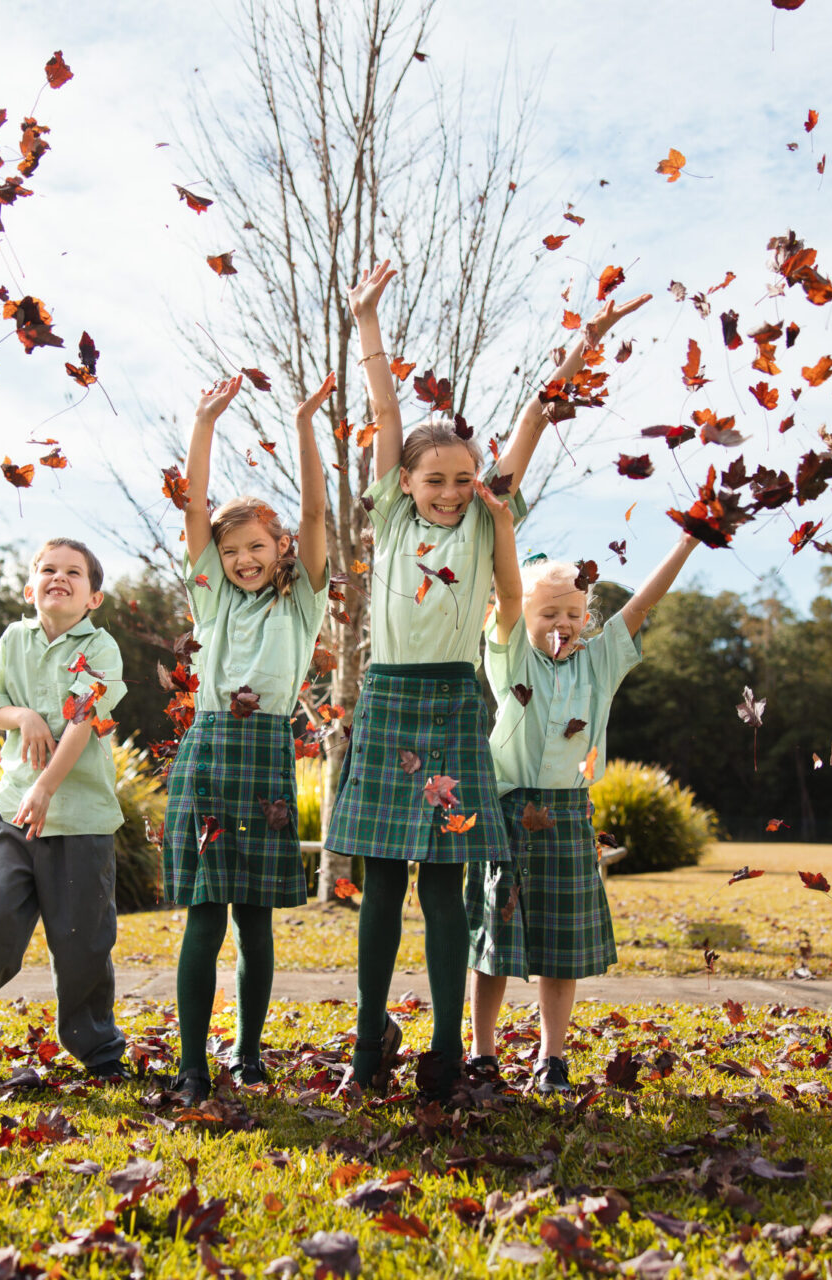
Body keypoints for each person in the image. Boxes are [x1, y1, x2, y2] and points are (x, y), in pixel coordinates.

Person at [321, 261, 649, 1100]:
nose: (448, 491)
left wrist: (586, 344)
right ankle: (369, 1042)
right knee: (382, 888)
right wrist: (367, 321)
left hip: (453, 702)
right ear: (405, 483)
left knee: (444, 891)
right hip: (388, 699)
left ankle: (443, 1052)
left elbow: (536, 415)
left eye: (462, 479)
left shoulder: (484, 520)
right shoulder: (392, 513)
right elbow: (386, 411)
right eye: (434, 480)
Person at [465, 532, 697, 1094]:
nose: (562, 623)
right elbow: (508, 596)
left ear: (587, 618)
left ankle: (552, 1059)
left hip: (569, 815)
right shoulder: (512, 655)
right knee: (494, 945)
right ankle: (482, 1054)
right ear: (523, 616)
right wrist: (502, 525)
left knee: (561, 949)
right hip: (505, 811)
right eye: (548, 613)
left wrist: (687, 543)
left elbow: (641, 605)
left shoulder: (599, 663)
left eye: (573, 613)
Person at [163, 368, 335, 1105]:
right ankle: (192, 1064)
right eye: (231, 551)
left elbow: (318, 514)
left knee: (255, 920)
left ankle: (249, 1054)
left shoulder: (302, 603)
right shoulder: (212, 601)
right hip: (208, 752)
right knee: (205, 917)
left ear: (280, 546)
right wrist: (203, 425)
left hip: (265, 754)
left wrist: (303, 427)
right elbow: (194, 508)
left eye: (256, 547)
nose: (243, 560)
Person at [0, 538, 131, 1084]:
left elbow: (83, 719)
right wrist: (26, 717)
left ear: (94, 598)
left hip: (80, 817)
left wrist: (47, 787)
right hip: (13, 810)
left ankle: (99, 1052)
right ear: (30, 589)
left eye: (74, 573)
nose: (60, 577)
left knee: (83, 943)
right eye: (48, 569)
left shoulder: (101, 648)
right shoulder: (13, 639)